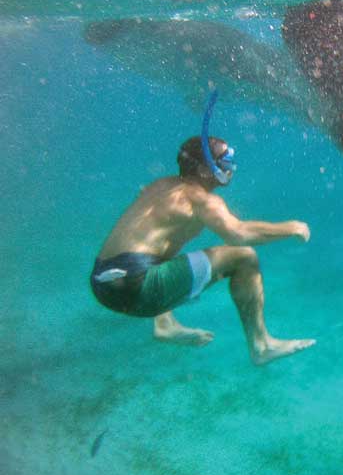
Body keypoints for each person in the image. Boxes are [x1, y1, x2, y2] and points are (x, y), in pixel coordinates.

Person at [89, 91, 315, 364]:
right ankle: (262, 345)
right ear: (207, 170)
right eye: (225, 162)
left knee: (162, 249)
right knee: (244, 258)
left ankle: (164, 323)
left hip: (104, 285)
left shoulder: (162, 186)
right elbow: (238, 233)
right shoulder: (201, 200)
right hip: (139, 289)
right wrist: (291, 228)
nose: (231, 169)